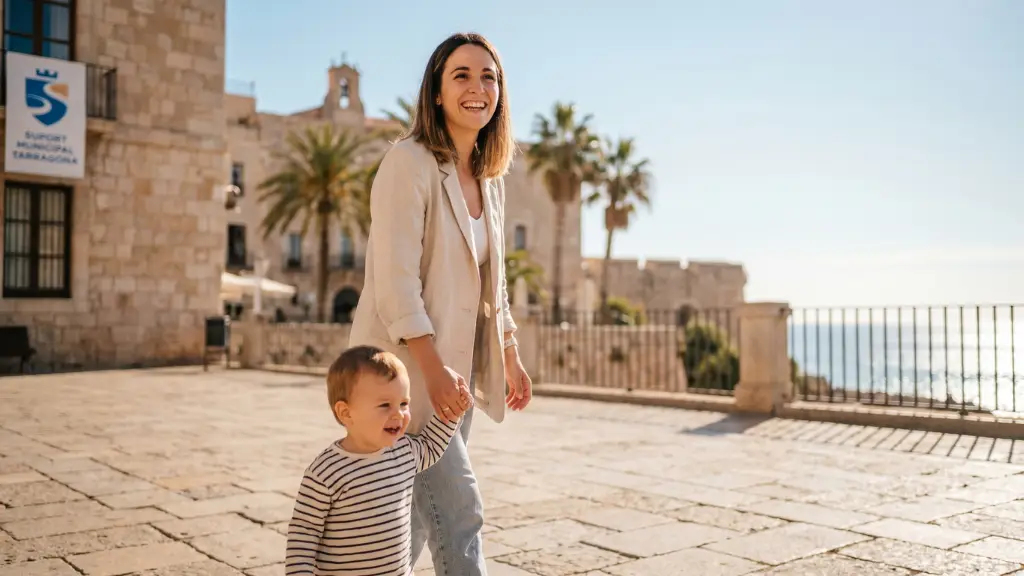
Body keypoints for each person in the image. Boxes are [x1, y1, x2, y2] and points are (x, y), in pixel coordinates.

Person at [347, 31, 533, 575]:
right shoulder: (408, 163)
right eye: (462, 75)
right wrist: (432, 372)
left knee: (415, 517)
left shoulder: (489, 179)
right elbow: (396, 284)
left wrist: (510, 351)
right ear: (435, 91)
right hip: (406, 374)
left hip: (455, 378)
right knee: (457, 511)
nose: (478, 88)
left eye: (489, 77)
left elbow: (491, 280)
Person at [284, 345, 468, 575]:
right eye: (384, 405)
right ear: (346, 413)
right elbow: (304, 532)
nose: (398, 414)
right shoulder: (326, 471)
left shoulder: (404, 451)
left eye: (403, 403)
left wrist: (452, 412)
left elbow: (431, 446)